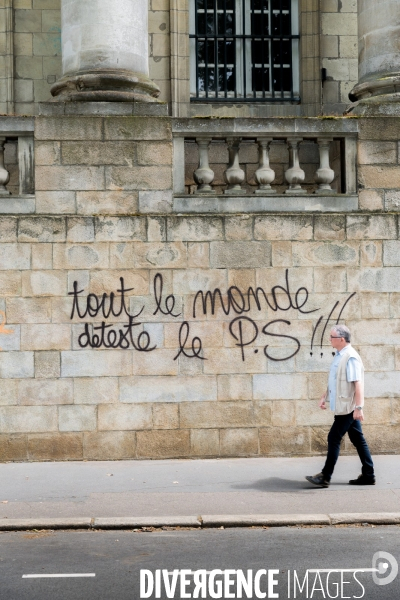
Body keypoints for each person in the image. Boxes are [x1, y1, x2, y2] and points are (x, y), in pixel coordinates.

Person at [305, 324, 375, 488]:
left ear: (341, 339)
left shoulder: (350, 357)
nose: (329, 339)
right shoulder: (339, 355)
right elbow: (336, 381)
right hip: (344, 405)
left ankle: (325, 476)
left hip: (348, 407)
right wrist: (325, 396)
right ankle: (368, 474)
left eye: (332, 337)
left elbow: (358, 384)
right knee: (358, 439)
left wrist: (359, 408)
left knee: (333, 437)